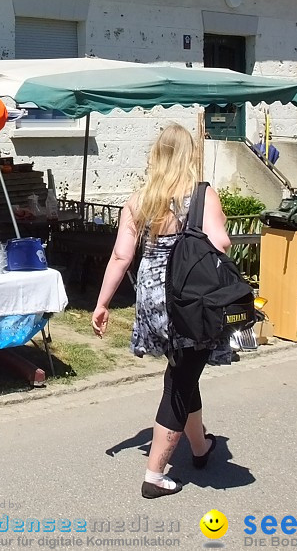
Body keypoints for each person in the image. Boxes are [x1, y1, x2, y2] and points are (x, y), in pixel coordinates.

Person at [90, 123, 230, 499]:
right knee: (179, 384)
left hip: (153, 302)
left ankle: (199, 448)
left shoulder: (139, 200)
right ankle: (154, 475)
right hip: (189, 300)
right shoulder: (201, 196)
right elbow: (222, 243)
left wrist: (102, 303)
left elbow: (121, 256)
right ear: (190, 157)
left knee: (184, 370)